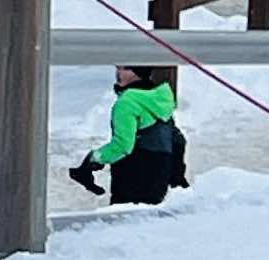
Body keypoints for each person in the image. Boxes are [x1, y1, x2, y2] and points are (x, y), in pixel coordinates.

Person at [72, 66, 190, 207]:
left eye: (125, 69)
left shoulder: (127, 102)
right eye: (118, 68)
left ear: (138, 72)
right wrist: (177, 176)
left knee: (124, 218)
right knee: (147, 219)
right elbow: (177, 140)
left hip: (133, 175)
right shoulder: (160, 99)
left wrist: (93, 158)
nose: (118, 73)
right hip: (159, 177)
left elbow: (123, 146)